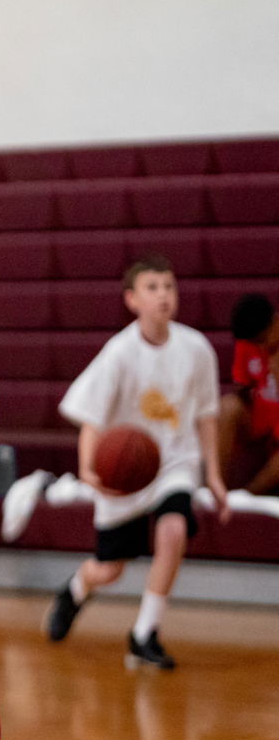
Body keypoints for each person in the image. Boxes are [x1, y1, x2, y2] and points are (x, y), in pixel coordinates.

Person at [44, 254, 229, 670]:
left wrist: (213, 474)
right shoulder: (119, 353)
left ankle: (145, 632)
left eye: (169, 287)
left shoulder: (196, 348)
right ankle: (75, 590)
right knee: (109, 571)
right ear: (132, 300)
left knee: (173, 529)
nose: (164, 295)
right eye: (153, 288)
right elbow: (91, 419)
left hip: (175, 462)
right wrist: (91, 469)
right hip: (126, 470)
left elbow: (207, 415)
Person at [219, 293, 279, 496]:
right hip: (261, 417)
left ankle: (246, 496)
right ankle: (217, 489)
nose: (260, 347)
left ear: (276, 321)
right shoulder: (247, 341)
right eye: (256, 343)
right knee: (227, 406)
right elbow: (241, 385)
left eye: (263, 340)